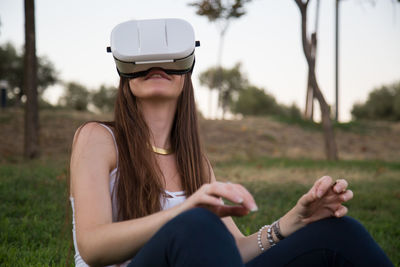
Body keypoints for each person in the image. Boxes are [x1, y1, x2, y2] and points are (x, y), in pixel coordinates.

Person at [69, 20, 393, 267]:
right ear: (124, 71)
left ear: (187, 70)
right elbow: (93, 247)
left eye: (169, 61)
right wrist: (186, 211)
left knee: (341, 231)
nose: (157, 67)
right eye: (143, 63)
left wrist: (296, 220)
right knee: (196, 222)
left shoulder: (196, 162)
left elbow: (233, 250)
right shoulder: (99, 138)